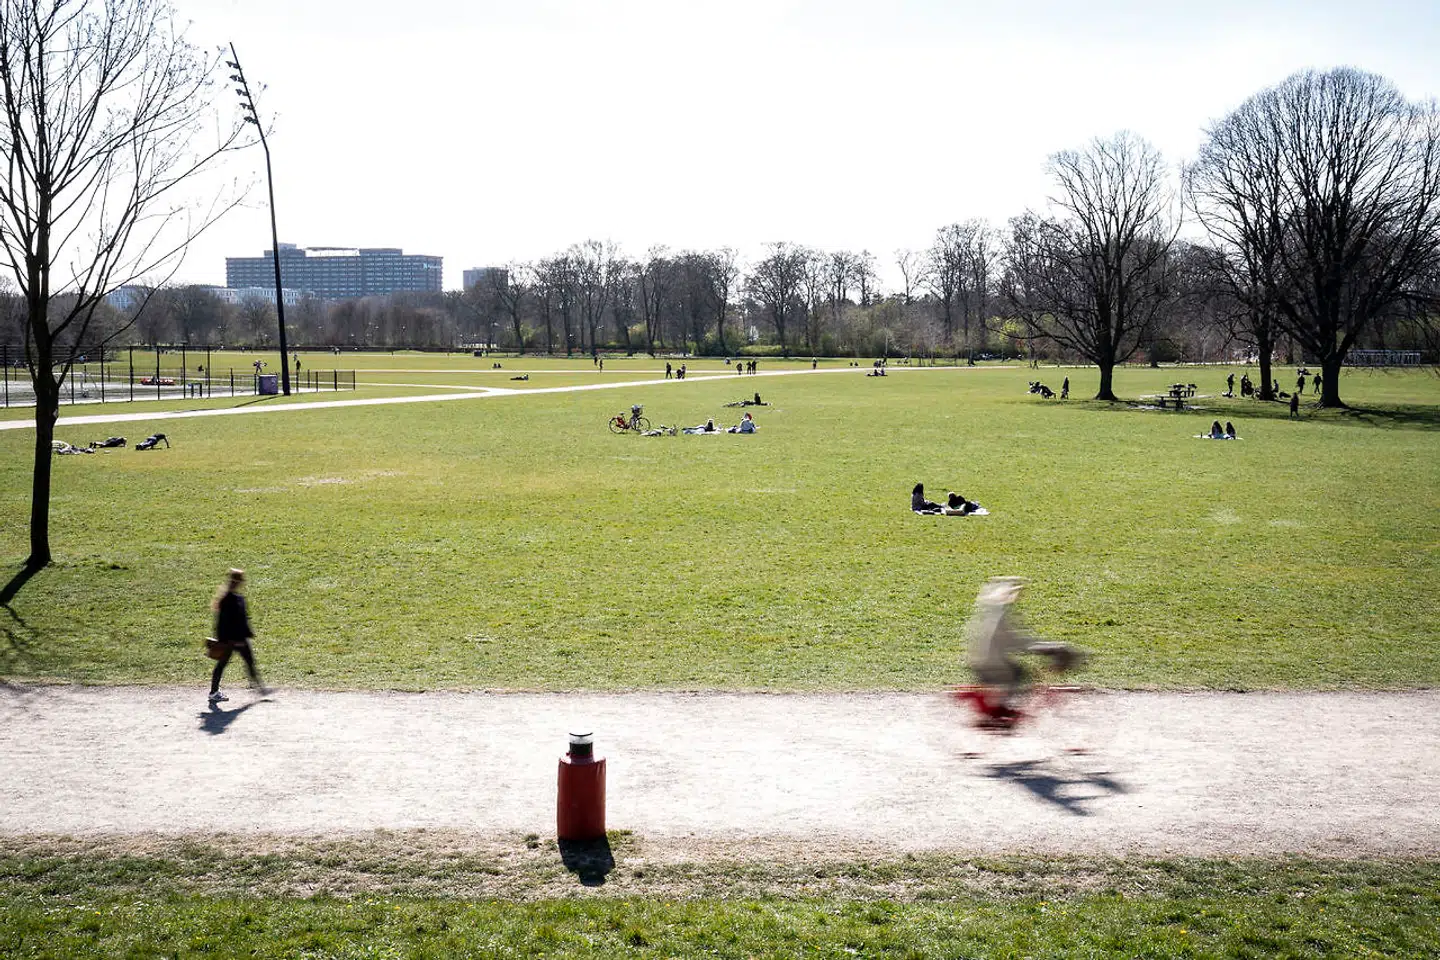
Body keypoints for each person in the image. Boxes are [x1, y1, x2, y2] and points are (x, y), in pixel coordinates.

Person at [965, 577, 1085, 720]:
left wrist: (1043, 647)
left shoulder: (993, 615)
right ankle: (999, 709)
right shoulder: (999, 618)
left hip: (983, 663)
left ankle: (999, 707)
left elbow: (1014, 641)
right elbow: (1015, 642)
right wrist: (1046, 648)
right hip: (990, 666)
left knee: (1019, 674)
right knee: (1020, 675)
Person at [209, 568, 269, 703]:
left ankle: (260, 688)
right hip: (231, 640)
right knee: (223, 664)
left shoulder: (237, 598)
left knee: (248, 661)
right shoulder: (227, 600)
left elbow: (242, 619)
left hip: (239, 638)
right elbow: (224, 622)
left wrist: (248, 633)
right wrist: (230, 640)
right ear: (237, 582)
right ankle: (214, 692)